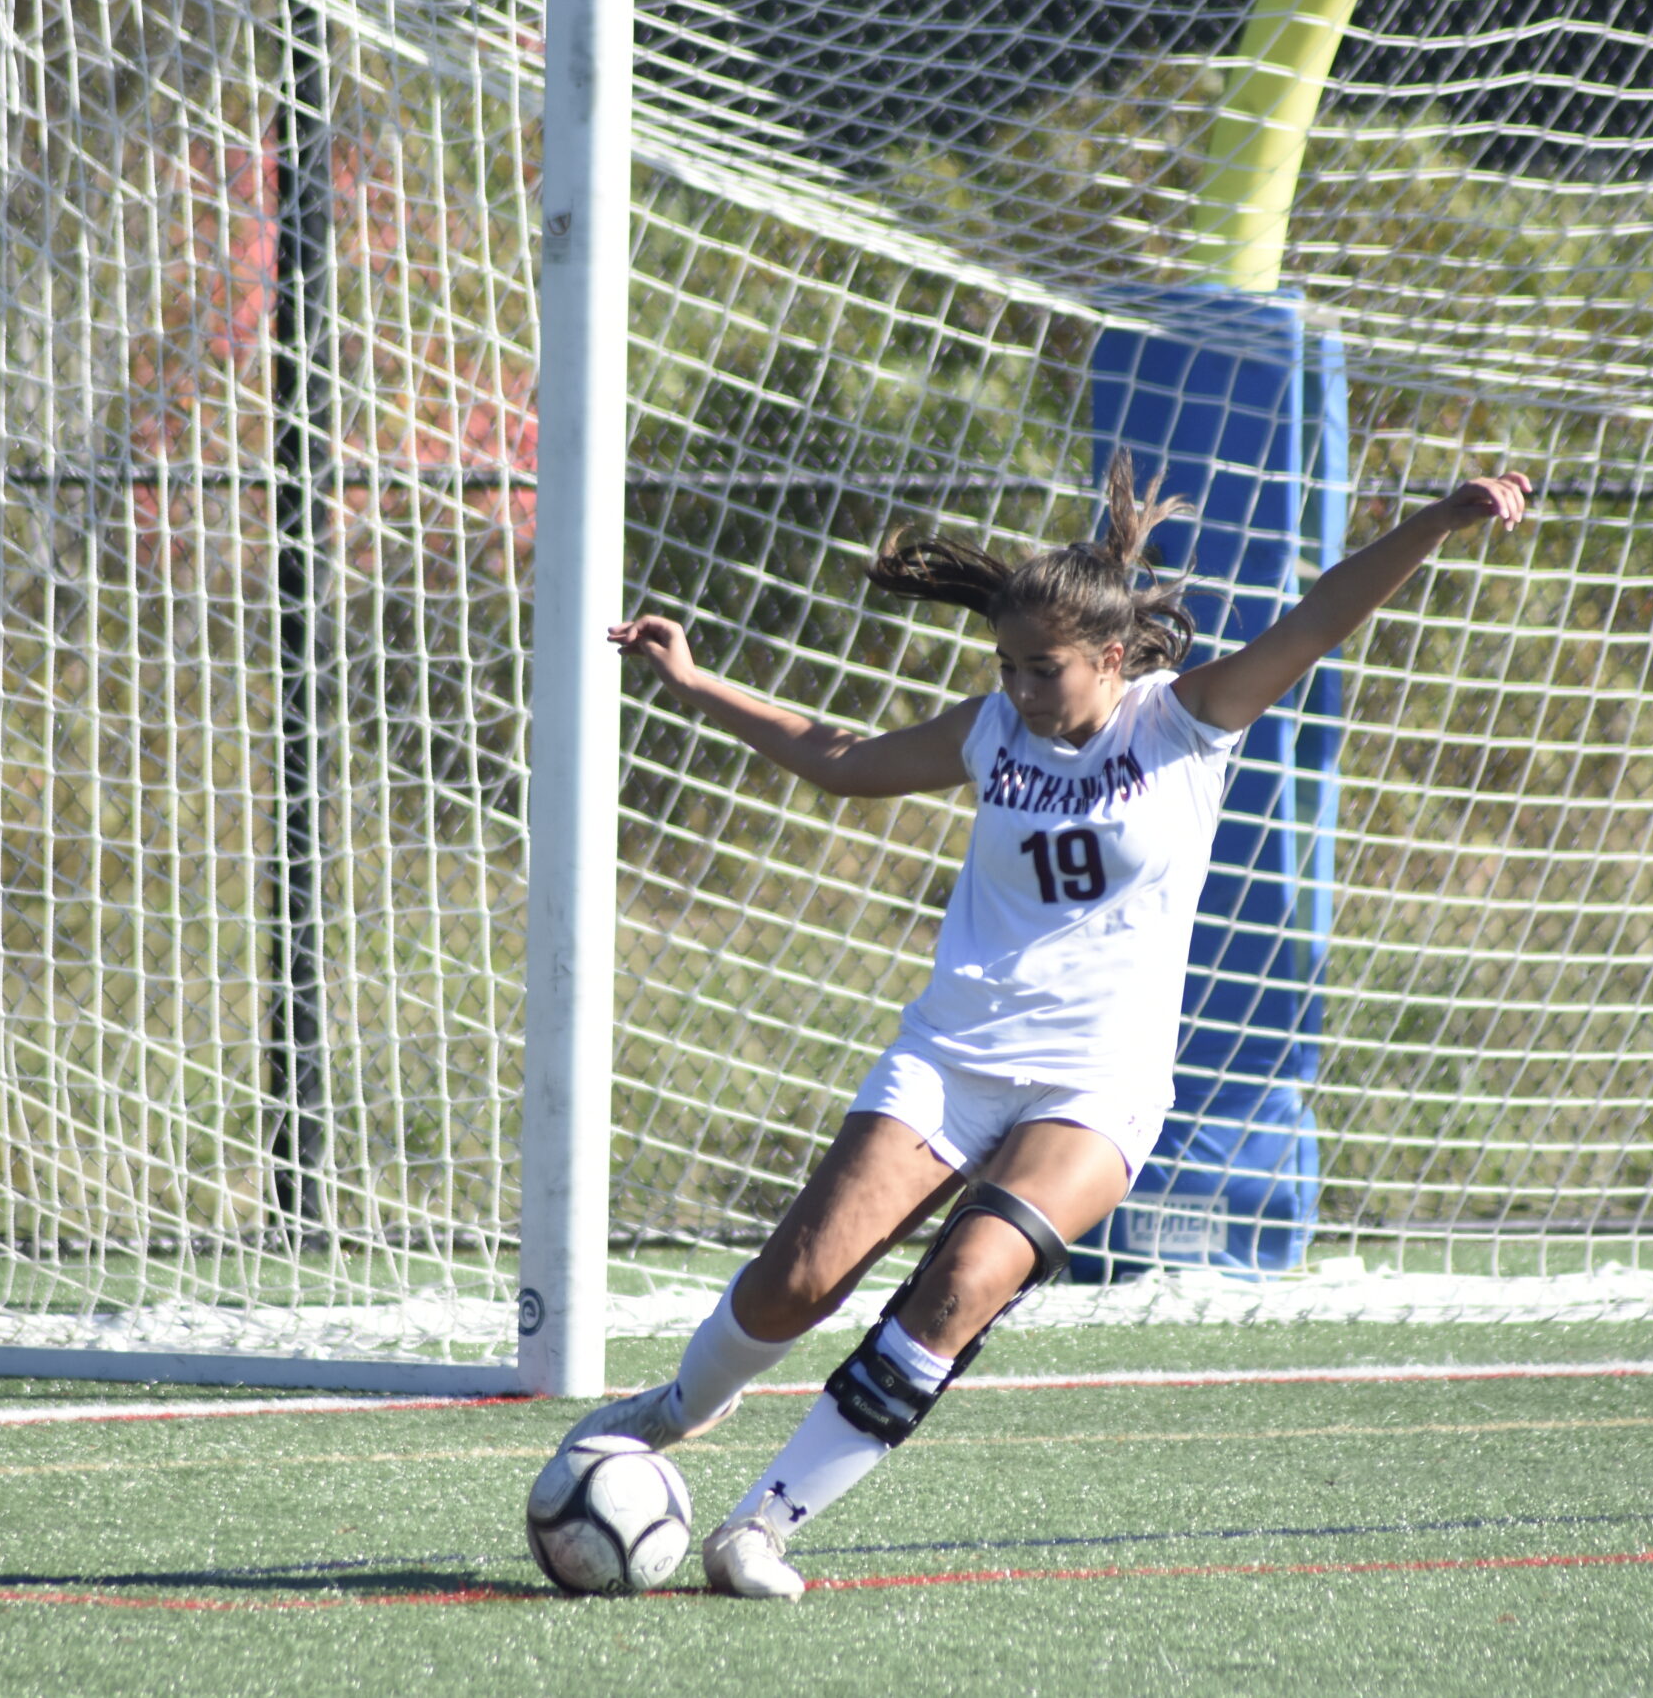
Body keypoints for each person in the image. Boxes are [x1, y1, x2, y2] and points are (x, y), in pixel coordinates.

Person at [570, 455, 1532, 1599]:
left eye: (1045, 670)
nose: (1022, 690)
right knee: (797, 1285)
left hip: (1097, 1080)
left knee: (962, 1282)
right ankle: (677, 1409)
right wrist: (695, 683)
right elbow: (843, 759)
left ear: (1113, 660)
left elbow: (1319, 614)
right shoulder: (991, 732)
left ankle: (760, 1527)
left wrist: (1442, 517)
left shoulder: (1183, 726)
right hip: (950, 1056)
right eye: (1007, 667)